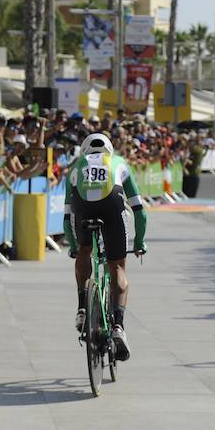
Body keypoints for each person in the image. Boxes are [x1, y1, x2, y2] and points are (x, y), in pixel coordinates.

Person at [63, 132, 147, 362]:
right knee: (117, 266)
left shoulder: (76, 166)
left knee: (84, 250)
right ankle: (118, 325)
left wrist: (73, 246)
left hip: (82, 207)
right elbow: (139, 211)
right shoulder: (119, 162)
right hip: (112, 203)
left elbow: (66, 217)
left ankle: (82, 308)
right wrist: (139, 243)